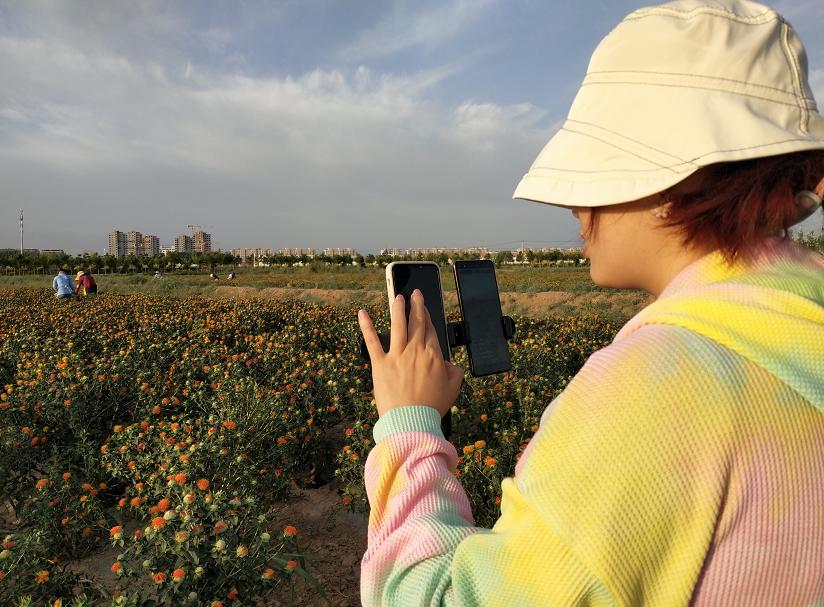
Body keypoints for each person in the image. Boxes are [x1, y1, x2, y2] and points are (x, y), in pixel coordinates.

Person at [357, 1, 824, 605]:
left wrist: (409, 425)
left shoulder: (663, 390)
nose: (577, 209)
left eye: (597, 175)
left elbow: (428, 596)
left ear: (674, 184)